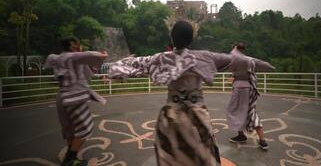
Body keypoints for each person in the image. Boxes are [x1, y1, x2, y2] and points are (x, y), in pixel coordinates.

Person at [108, 20, 257, 166]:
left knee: (172, 158)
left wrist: (113, 71)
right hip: (197, 119)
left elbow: (129, 65)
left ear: (172, 38)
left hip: (170, 119)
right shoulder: (204, 57)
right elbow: (238, 60)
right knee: (203, 157)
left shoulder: (161, 58)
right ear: (192, 38)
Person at [45, 37, 107, 166]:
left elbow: (88, 72)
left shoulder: (56, 58)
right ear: (72, 46)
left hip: (62, 96)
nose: (79, 46)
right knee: (85, 127)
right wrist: (103, 55)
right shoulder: (72, 57)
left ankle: (71, 155)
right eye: (77, 45)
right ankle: (70, 159)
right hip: (75, 97)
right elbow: (94, 56)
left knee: (70, 128)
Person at [226, 42, 275, 150]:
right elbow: (265, 65)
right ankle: (258, 139)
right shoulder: (250, 59)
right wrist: (272, 67)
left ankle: (248, 137)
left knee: (237, 111)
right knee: (248, 111)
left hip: (239, 88)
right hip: (249, 87)